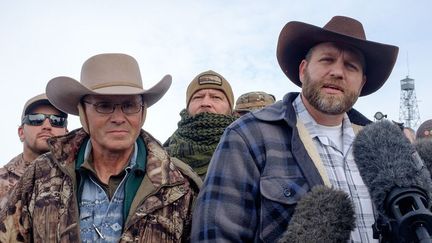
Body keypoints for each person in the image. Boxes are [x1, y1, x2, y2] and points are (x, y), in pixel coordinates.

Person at [191, 16, 399, 242]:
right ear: (303, 70)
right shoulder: (247, 136)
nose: (338, 72)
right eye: (327, 60)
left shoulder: (386, 149)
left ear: (362, 83)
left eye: (351, 66)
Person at [0, 53, 201, 242]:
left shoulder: (179, 185)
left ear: (142, 112)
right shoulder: (40, 174)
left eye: (129, 105)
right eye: (104, 106)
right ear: (83, 113)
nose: (119, 118)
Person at [163, 70, 238, 180]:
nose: (205, 103)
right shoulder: (161, 155)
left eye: (216, 97)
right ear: (187, 107)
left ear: (230, 109)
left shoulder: (246, 148)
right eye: (198, 97)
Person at [0, 93, 68, 208]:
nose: (47, 126)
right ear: (21, 132)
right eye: (36, 119)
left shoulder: (80, 177)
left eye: (57, 120)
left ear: (66, 133)